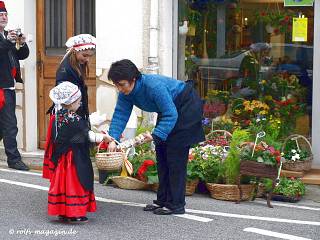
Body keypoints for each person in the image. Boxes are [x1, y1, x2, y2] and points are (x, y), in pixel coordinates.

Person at [107, 59, 205, 215]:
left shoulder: (153, 86)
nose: (120, 88)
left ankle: (176, 205)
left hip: (186, 106)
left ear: (134, 79)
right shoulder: (126, 92)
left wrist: (155, 135)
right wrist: (112, 138)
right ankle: (163, 200)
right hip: (168, 111)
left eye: (122, 84)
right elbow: (120, 114)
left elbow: (171, 114)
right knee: (162, 154)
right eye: (116, 85)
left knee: (175, 157)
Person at [43, 81, 113, 223]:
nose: (80, 104)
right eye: (79, 101)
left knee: (63, 184)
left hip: (62, 159)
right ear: (71, 102)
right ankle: (74, 213)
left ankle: (63, 211)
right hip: (74, 161)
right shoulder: (74, 119)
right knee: (76, 184)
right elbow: (87, 136)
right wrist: (103, 137)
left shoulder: (57, 116)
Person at [0, 1, 30, 171]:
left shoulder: (7, 35)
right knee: (10, 125)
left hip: (8, 86)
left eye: (5, 14)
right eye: (0, 15)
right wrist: (10, 42)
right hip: (1, 87)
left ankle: (12, 156)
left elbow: (22, 55)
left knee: (5, 124)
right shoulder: (5, 39)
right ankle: (14, 159)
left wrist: (22, 42)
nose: (4, 17)